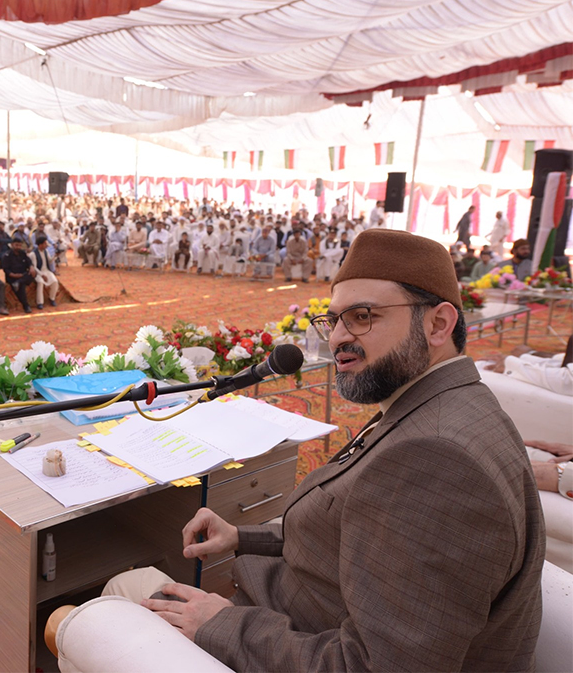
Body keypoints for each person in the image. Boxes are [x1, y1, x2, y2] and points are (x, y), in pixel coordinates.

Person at [103, 229, 544, 671]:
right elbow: (363, 538)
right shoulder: (438, 404)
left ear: (438, 324)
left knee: (119, 592)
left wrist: (220, 624)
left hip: (281, 635)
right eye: (333, 320)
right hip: (291, 614)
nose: (336, 339)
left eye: (362, 316)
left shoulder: (437, 459)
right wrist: (242, 537)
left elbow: (371, 666)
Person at [1, 239, 35, 313]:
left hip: (22, 276)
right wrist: (14, 275)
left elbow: (29, 262)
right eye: (16, 245)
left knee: (33, 273)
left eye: (20, 245)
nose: (18, 247)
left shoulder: (22, 253)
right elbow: (6, 270)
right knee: (21, 286)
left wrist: (31, 267)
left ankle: (18, 282)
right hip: (12, 277)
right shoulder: (7, 255)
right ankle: (26, 306)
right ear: (12, 245)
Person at [31, 235, 59, 309]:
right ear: (40, 244)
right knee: (40, 282)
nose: (46, 245)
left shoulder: (46, 251)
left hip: (46, 270)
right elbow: (34, 267)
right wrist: (42, 275)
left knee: (55, 281)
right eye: (45, 244)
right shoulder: (33, 254)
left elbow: (49, 261)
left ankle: (52, 298)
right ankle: (40, 302)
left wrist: (55, 256)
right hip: (38, 272)